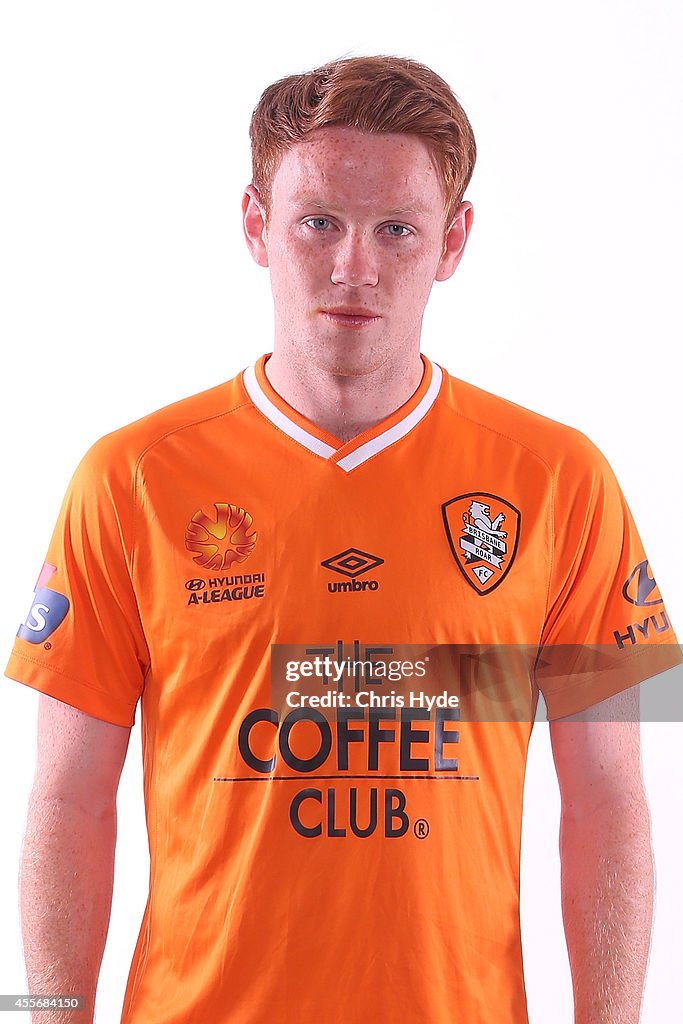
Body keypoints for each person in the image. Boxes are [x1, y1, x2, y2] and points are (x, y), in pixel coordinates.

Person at [5, 54, 682, 1024]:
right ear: (255, 225)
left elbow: (609, 802)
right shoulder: (132, 478)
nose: (352, 265)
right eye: (318, 220)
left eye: (394, 229)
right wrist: (44, 1016)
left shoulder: (559, 479)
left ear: (451, 242)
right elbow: (64, 804)